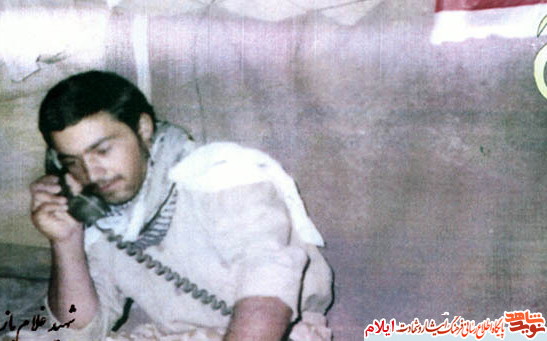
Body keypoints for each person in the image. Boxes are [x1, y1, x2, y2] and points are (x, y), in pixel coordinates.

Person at [25, 70, 333, 341]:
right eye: (72, 162)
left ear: (143, 128)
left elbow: (267, 296)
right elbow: (75, 331)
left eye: (103, 150)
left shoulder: (220, 176)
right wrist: (66, 241)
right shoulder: (108, 217)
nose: (92, 174)